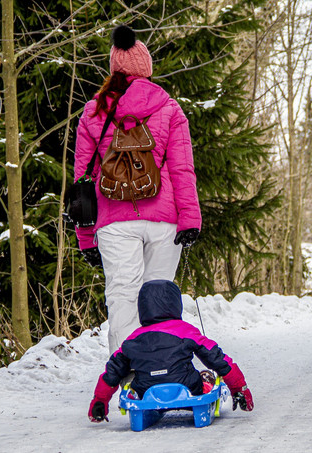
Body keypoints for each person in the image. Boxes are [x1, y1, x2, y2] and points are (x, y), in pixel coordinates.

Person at [74, 24, 201, 354]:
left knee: (122, 295)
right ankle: (161, 371)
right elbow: (182, 170)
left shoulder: (94, 112)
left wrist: (86, 238)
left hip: (113, 221)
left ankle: (126, 374)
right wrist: (190, 220)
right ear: (146, 68)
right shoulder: (170, 108)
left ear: (113, 68)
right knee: (157, 297)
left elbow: (83, 182)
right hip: (165, 221)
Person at [88, 280, 254, 422]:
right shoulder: (186, 331)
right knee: (206, 375)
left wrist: (100, 401)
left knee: (133, 380)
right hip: (189, 388)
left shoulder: (132, 339)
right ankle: (204, 391)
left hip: (146, 390)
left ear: (143, 307)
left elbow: (112, 371)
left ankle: (142, 407)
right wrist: (240, 388)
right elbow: (217, 358)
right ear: (176, 304)